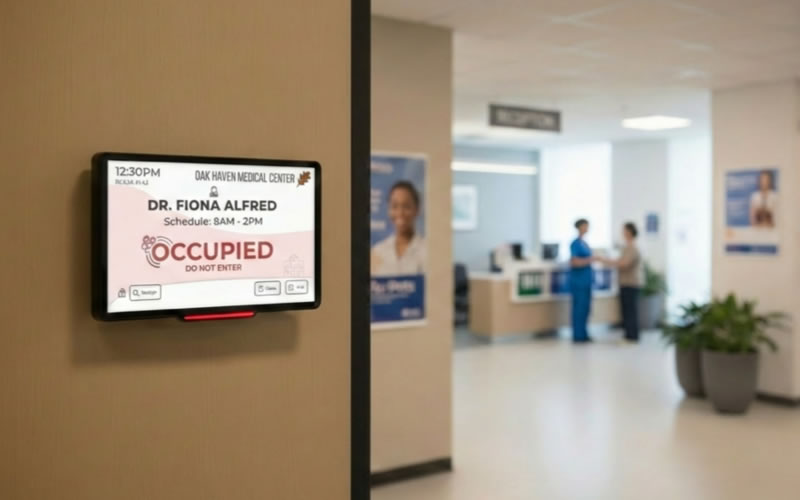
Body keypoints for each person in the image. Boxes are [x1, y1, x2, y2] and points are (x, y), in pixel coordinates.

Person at [371, 181, 426, 276]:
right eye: (394, 206)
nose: (400, 212)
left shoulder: (427, 250)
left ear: (417, 210)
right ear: (389, 210)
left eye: (406, 206)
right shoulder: (377, 252)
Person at [601, 222, 643, 343]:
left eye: (624, 230)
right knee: (627, 310)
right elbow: (621, 261)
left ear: (629, 232)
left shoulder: (632, 248)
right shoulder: (627, 247)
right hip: (625, 283)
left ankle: (632, 336)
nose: (623, 233)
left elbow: (624, 264)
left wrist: (606, 261)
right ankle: (629, 335)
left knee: (630, 311)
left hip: (631, 283)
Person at [569, 219, 595, 343]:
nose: (587, 228)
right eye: (585, 226)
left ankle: (584, 333)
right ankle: (578, 335)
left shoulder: (584, 243)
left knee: (585, 308)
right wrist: (590, 259)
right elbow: (574, 262)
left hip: (586, 281)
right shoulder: (575, 243)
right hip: (579, 282)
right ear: (579, 227)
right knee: (579, 309)